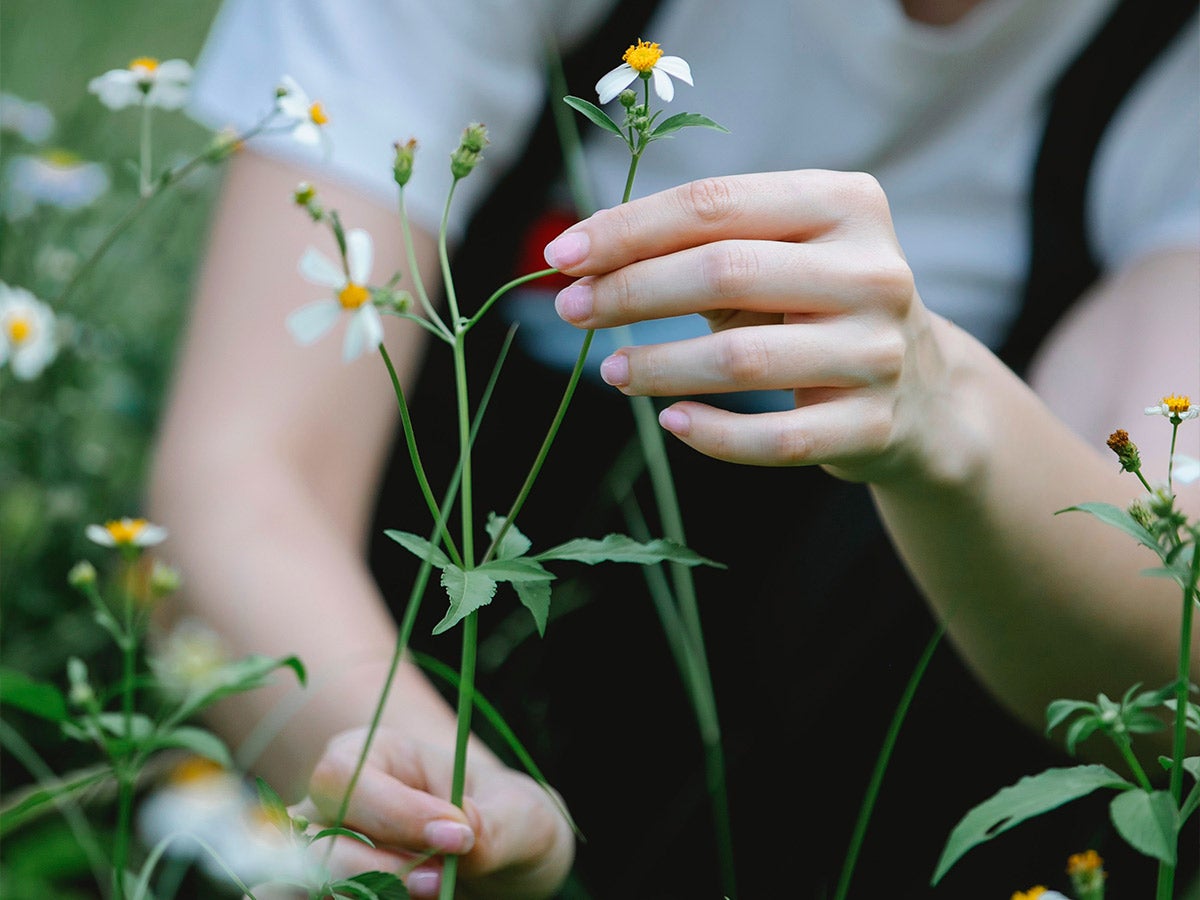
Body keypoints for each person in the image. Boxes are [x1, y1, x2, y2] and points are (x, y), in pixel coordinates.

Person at [148, 0, 1199, 896]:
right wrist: (436, 793)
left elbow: (1171, 658)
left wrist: (947, 412)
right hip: (396, 673)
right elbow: (238, 482)